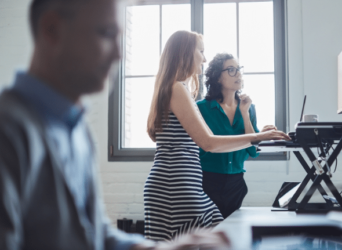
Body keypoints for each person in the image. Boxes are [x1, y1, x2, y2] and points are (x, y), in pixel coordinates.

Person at [0, 0, 229, 249]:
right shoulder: (8, 131)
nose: (119, 54)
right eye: (106, 34)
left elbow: (94, 235)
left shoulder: (78, 132)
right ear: (52, 29)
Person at [145, 31, 291, 241]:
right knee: (217, 240)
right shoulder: (177, 88)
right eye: (201, 51)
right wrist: (258, 137)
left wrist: (256, 135)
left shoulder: (181, 89)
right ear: (186, 53)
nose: (204, 59)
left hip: (187, 185)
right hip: (173, 187)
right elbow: (209, 143)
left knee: (222, 238)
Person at [196, 53, 280, 219]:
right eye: (231, 70)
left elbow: (252, 151)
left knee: (230, 237)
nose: (239, 74)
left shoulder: (249, 107)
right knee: (209, 236)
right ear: (217, 77)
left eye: (239, 69)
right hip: (207, 181)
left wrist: (245, 113)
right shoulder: (200, 108)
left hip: (236, 183)